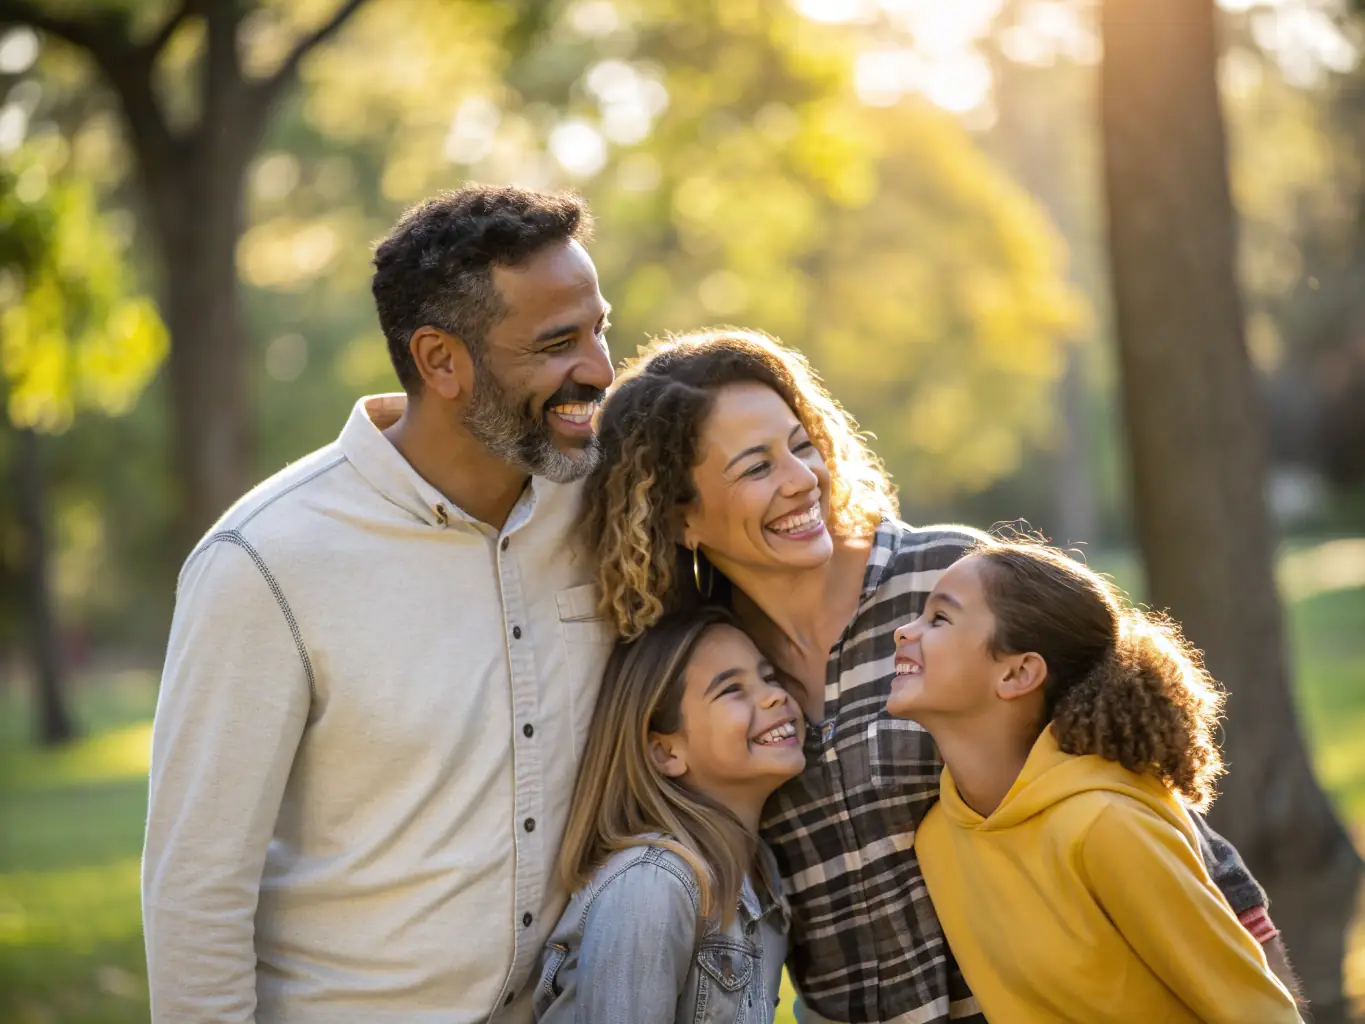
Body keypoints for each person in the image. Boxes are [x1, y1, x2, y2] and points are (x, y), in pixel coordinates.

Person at [583, 327, 1293, 1024]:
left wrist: (1262, 977)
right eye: (756, 467)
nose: (802, 480)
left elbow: (1142, 807)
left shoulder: (944, 583)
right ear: (678, 518)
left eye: (801, 446)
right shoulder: (705, 669)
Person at [142, 185, 616, 1023]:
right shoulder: (265, 562)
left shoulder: (601, 505)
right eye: (556, 344)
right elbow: (196, 891)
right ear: (440, 360)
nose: (599, 370)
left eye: (598, 329)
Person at [886, 539, 1299, 1022]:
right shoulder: (938, 839)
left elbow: (1257, 1011)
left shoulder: (1106, 825)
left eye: (939, 619)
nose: (902, 632)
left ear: (1018, 673)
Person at [534, 607, 803, 1023]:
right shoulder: (652, 885)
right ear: (666, 752)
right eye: (732, 689)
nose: (774, 695)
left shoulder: (761, 875)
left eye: (768, 677)